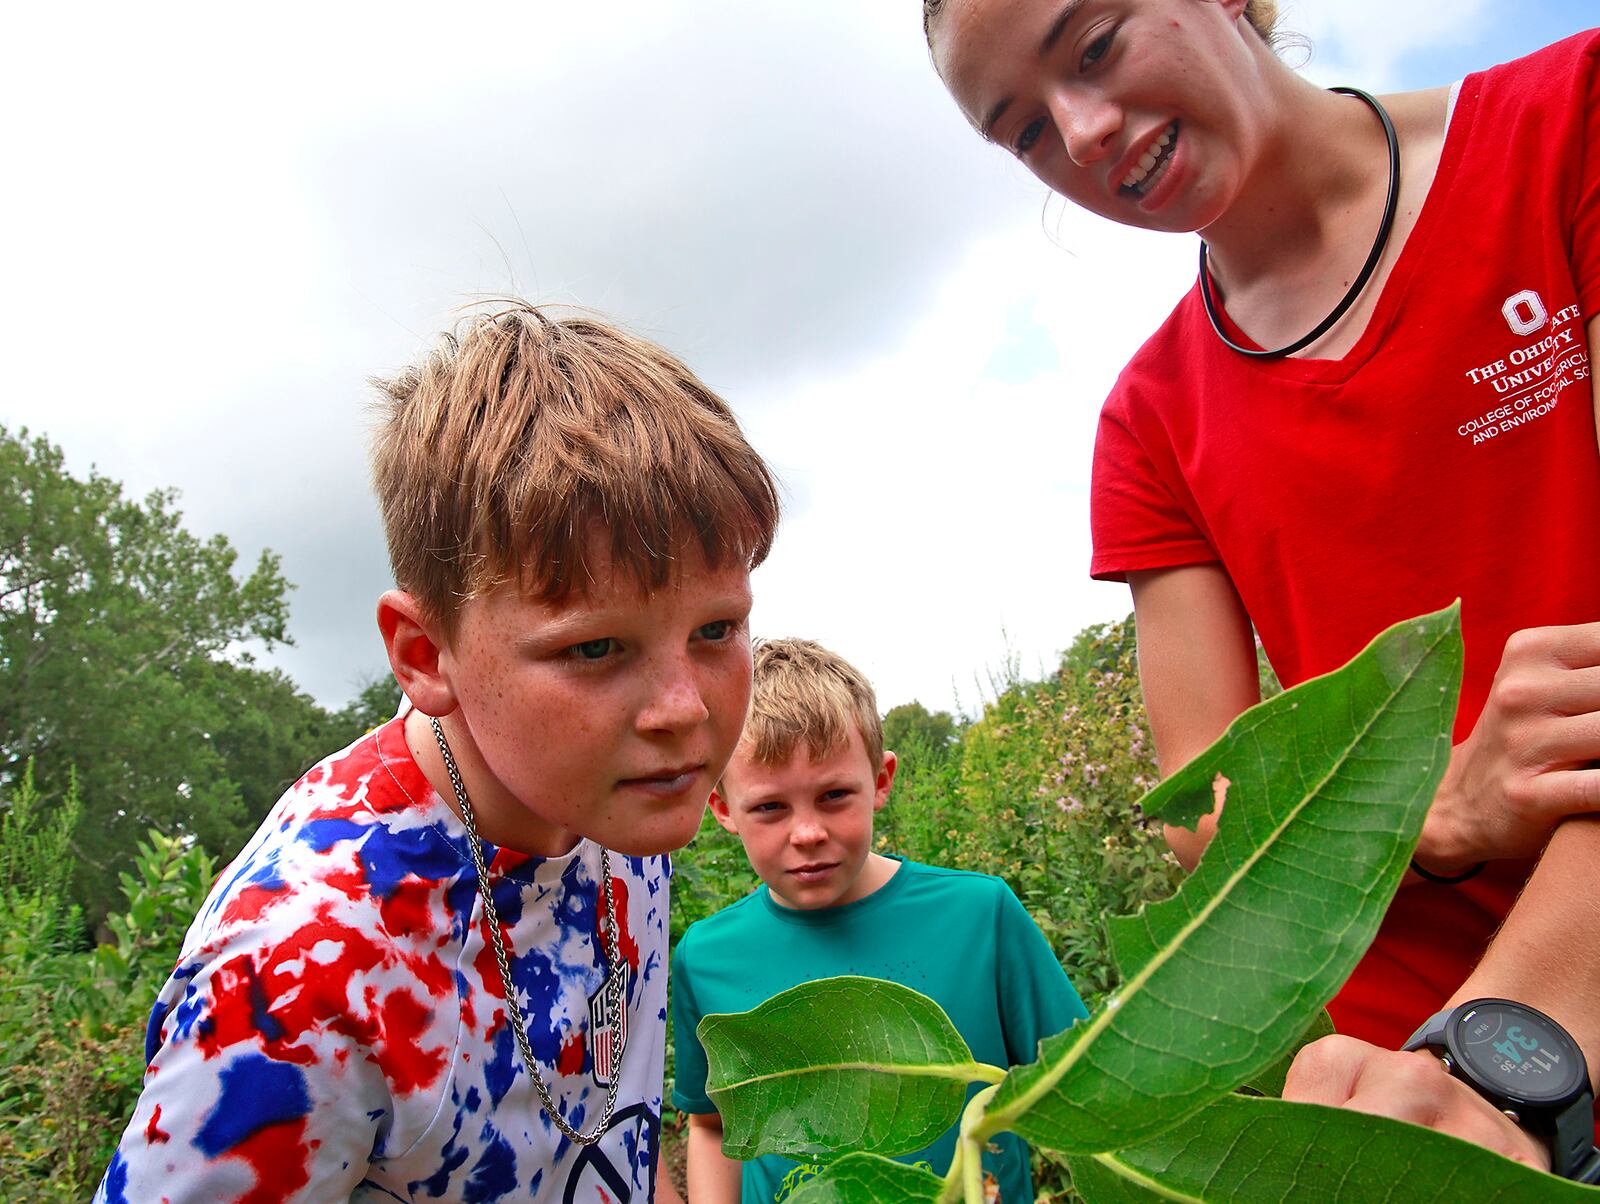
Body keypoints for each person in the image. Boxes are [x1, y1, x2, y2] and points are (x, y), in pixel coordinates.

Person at [923, 0, 1600, 1175]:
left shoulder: (1566, 128)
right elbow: (1202, 805)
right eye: (1023, 131)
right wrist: (1435, 811)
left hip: (1489, 1069)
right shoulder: (1149, 423)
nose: (1080, 133)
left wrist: (1500, 1055)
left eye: (1093, 47)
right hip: (1385, 1073)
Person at [93, 305, 778, 1202]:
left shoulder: (610, 798)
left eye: (717, 628)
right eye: (595, 649)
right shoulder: (300, 977)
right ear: (425, 655)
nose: (684, 710)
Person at [671, 637, 1088, 1202]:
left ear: (882, 781)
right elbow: (714, 1123)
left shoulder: (979, 915)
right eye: (770, 806)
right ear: (722, 808)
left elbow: (1083, 1083)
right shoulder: (707, 954)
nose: (807, 832)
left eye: (835, 795)